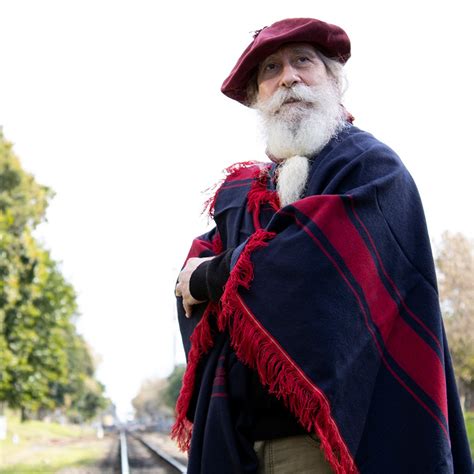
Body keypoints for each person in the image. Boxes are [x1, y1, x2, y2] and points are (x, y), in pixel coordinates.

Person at [173, 17, 473, 474]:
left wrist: (215, 275)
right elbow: (189, 282)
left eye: (303, 62)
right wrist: (209, 275)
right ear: (258, 98)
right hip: (240, 444)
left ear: (333, 79)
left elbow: (311, 264)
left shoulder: (371, 167)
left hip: (331, 447)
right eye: (271, 69)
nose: (288, 77)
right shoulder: (243, 195)